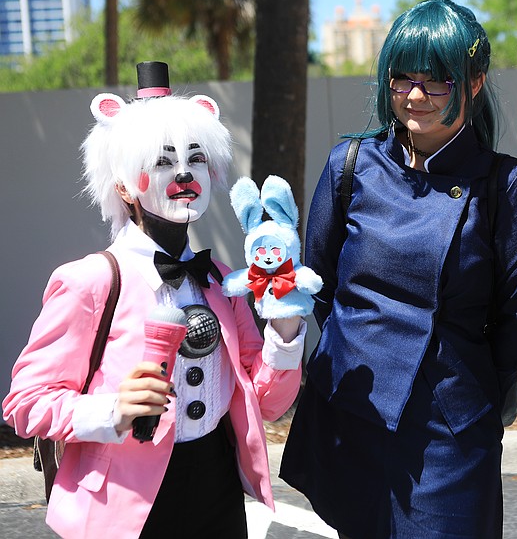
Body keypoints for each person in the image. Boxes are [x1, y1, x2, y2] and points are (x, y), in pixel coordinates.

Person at [279, 0, 517, 539]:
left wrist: (465, 387)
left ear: (474, 84)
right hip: (352, 409)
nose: (416, 96)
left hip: (448, 426)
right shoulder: (351, 164)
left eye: (437, 81)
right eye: (402, 78)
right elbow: (321, 284)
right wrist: (363, 347)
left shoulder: (507, 185)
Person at [2, 61, 306, 539]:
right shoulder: (90, 281)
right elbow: (25, 404)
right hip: (123, 503)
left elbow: (266, 403)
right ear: (123, 185)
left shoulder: (222, 281)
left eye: (196, 158)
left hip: (216, 489)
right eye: (162, 161)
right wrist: (111, 411)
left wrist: (285, 329)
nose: (184, 173)